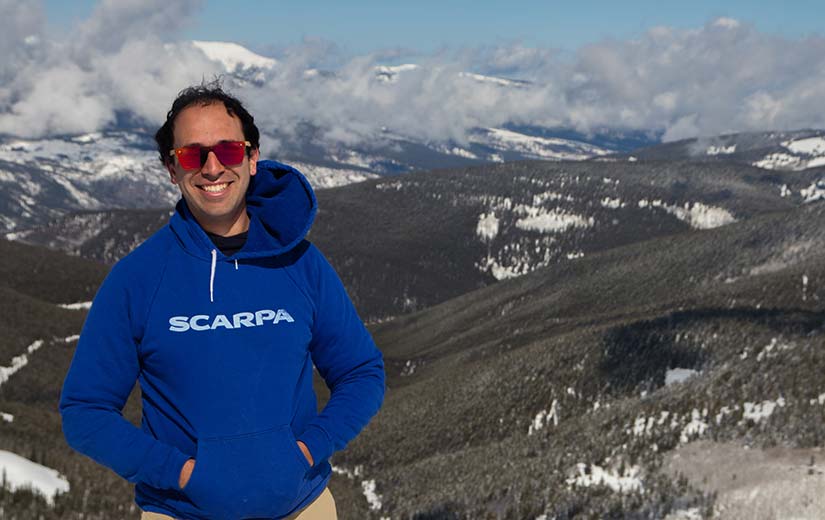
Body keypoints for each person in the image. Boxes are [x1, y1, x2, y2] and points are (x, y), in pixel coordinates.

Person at [59, 83, 386, 520]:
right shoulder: (137, 280)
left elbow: (361, 372)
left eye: (228, 150)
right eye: (193, 155)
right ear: (172, 169)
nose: (212, 168)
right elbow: (85, 411)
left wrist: (310, 449)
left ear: (252, 159)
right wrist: (179, 472)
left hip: (302, 508)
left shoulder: (301, 263)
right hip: (181, 513)